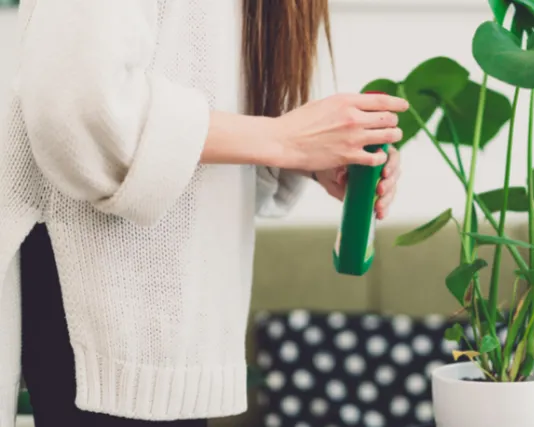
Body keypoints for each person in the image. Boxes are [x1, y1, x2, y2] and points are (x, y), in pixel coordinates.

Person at [0, 1, 408, 426]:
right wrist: (282, 139)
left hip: (182, 330)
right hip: (99, 311)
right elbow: (80, 104)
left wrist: (300, 154)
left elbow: (203, 96)